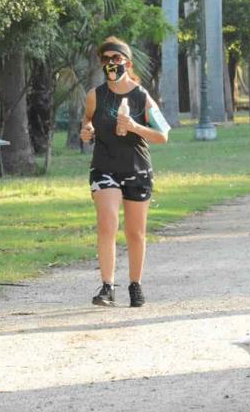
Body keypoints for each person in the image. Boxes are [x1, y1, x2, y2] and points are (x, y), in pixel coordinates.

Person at [80, 37, 170, 307]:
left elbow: (163, 135)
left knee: (135, 232)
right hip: (104, 168)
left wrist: (133, 126)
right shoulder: (95, 95)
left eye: (116, 59)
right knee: (107, 224)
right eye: (105, 59)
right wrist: (87, 130)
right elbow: (87, 119)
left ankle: (135, 285)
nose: (110, 64)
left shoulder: (142, 96)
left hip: (136, 168)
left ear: (127, 63)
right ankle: (107, 287)